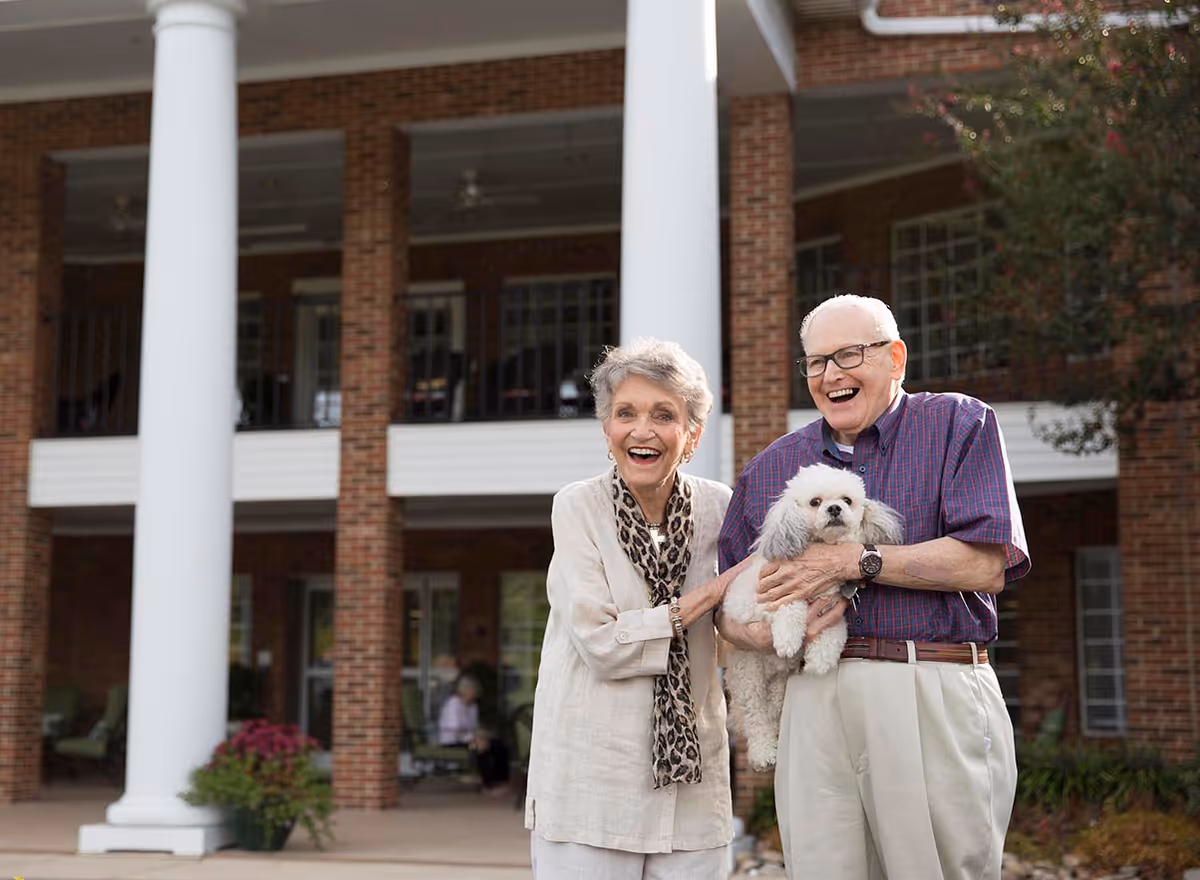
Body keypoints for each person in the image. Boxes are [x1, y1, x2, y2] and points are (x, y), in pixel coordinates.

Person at [717, 294, 1030, 880]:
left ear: (895, 358)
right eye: (816, 363)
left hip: (928, 680)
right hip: (812, 694)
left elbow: (987, 564)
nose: (831, 374)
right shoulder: (771, 469)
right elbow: (728, 602)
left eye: (849, 355)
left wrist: (854, 562)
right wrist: (758, 635)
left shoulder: (958, 423)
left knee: (939, 869)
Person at [525, 338, 752, 879]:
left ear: (691, 435)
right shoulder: (577, 507)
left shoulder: (721, 507)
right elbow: (603, 644)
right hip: (591, 783)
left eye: (663, 415)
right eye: (625, 413)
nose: (641, 430)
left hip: (692, 784)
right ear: (607, 430)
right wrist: (704, 598)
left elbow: (737, 627)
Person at [437, 674, 510, 794]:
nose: (475, 694)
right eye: (473, 691)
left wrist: (482, 735)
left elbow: (473, 727)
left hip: (468, 739)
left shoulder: (472, 706)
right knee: (481, 747)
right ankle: (487, 786)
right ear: (464, 690)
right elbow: (455, 729)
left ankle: (501, 781)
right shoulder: (454, 704)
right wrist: (473, 738)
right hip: (452, 741)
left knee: (499, 745)